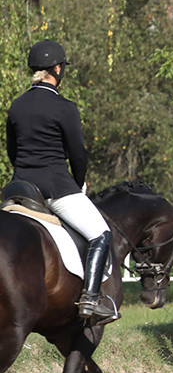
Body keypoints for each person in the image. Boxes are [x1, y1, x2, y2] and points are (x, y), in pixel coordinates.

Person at [5, 39, 116, 322]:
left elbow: (12, 151)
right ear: (57, 69)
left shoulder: (16, 106)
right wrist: (78, 184)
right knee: (101, 234)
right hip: (56, 188)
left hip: (20, 188)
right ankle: (91, 298)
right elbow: (78, 154)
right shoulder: (64, 107)